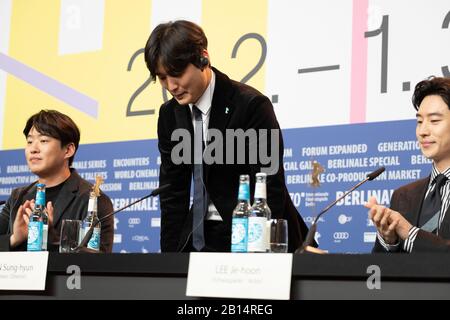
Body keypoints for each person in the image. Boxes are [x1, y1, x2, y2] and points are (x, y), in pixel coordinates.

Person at [144, 20, 310, 252]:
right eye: (162, 77)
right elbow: (173, 192)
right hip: (199, 237)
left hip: (251, 236)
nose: (171, 86)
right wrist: (169, 262)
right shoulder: (169, 115)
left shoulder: (251, 106)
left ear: (203, 58)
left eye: (177, 73)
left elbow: (269, 186)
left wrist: (261, 251)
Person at [0, 110, 114, 252]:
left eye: (43, 141)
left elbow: (99, 265)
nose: (33, 149)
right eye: (29, 141)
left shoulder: (93, 200)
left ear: (68, 150)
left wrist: (51, 239)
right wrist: (15, 239)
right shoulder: (18, 197)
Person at [366, 76, 450, 253]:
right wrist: (390, 240)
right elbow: (379, 273)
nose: (423, 131)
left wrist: (408, 232)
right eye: (419, 121)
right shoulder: (402, 195)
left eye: (434, 121)